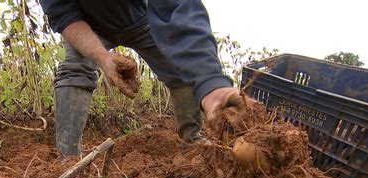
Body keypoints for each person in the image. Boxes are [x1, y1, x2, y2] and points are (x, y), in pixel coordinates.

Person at [40, 0, 243, 156]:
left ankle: (191, 139)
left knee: (179, 69)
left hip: (140, 20)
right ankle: (68, 157)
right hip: (87, 26)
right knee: (75, 68)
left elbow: (176, 7)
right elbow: (64, 15)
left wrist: (211, 82)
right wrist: (102, 57)